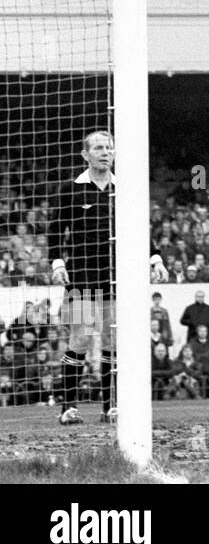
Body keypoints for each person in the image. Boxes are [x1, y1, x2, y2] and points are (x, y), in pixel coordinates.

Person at [48, 130, 118, 425]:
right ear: (85, 154)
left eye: (109, 147)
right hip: (81, 278)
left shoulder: (123, 187)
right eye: (98, 148)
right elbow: (54, 229)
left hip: (116, 278)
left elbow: (142, 226)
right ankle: (68, 408)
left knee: (113, 342)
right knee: (80, 340)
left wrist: (155, 258)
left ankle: (110, 407)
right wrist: (57, 263)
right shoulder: (71, 188)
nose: (105, 152)